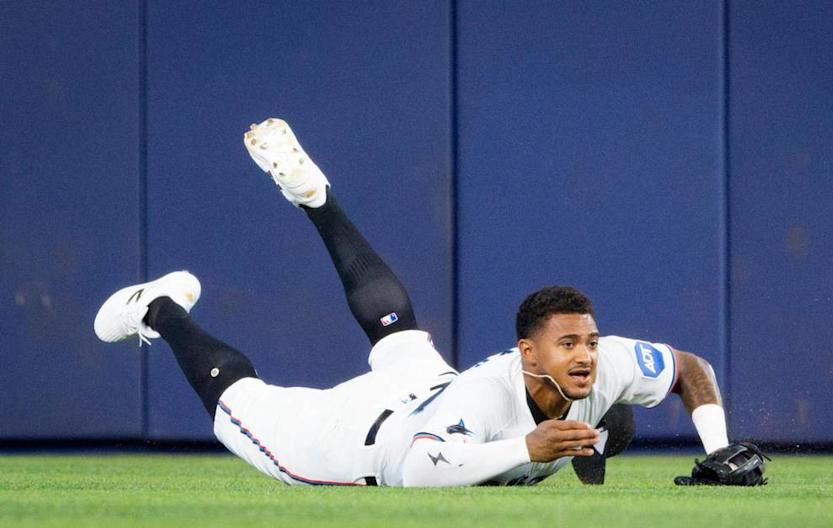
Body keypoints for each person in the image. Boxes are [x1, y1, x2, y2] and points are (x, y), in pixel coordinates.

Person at [95, 119, 763, 488]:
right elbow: (414, 466)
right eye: (569, 344)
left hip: (424, 387)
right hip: (362, 442)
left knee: (401, 334)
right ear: (527, 351)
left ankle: (317, 198)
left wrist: (719, 447)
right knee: (241, 401)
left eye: (587, 341)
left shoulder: (607, 367)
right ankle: (158, 308)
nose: (587, 355)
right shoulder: (489, 398)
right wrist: (528, 445)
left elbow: (687, 367)